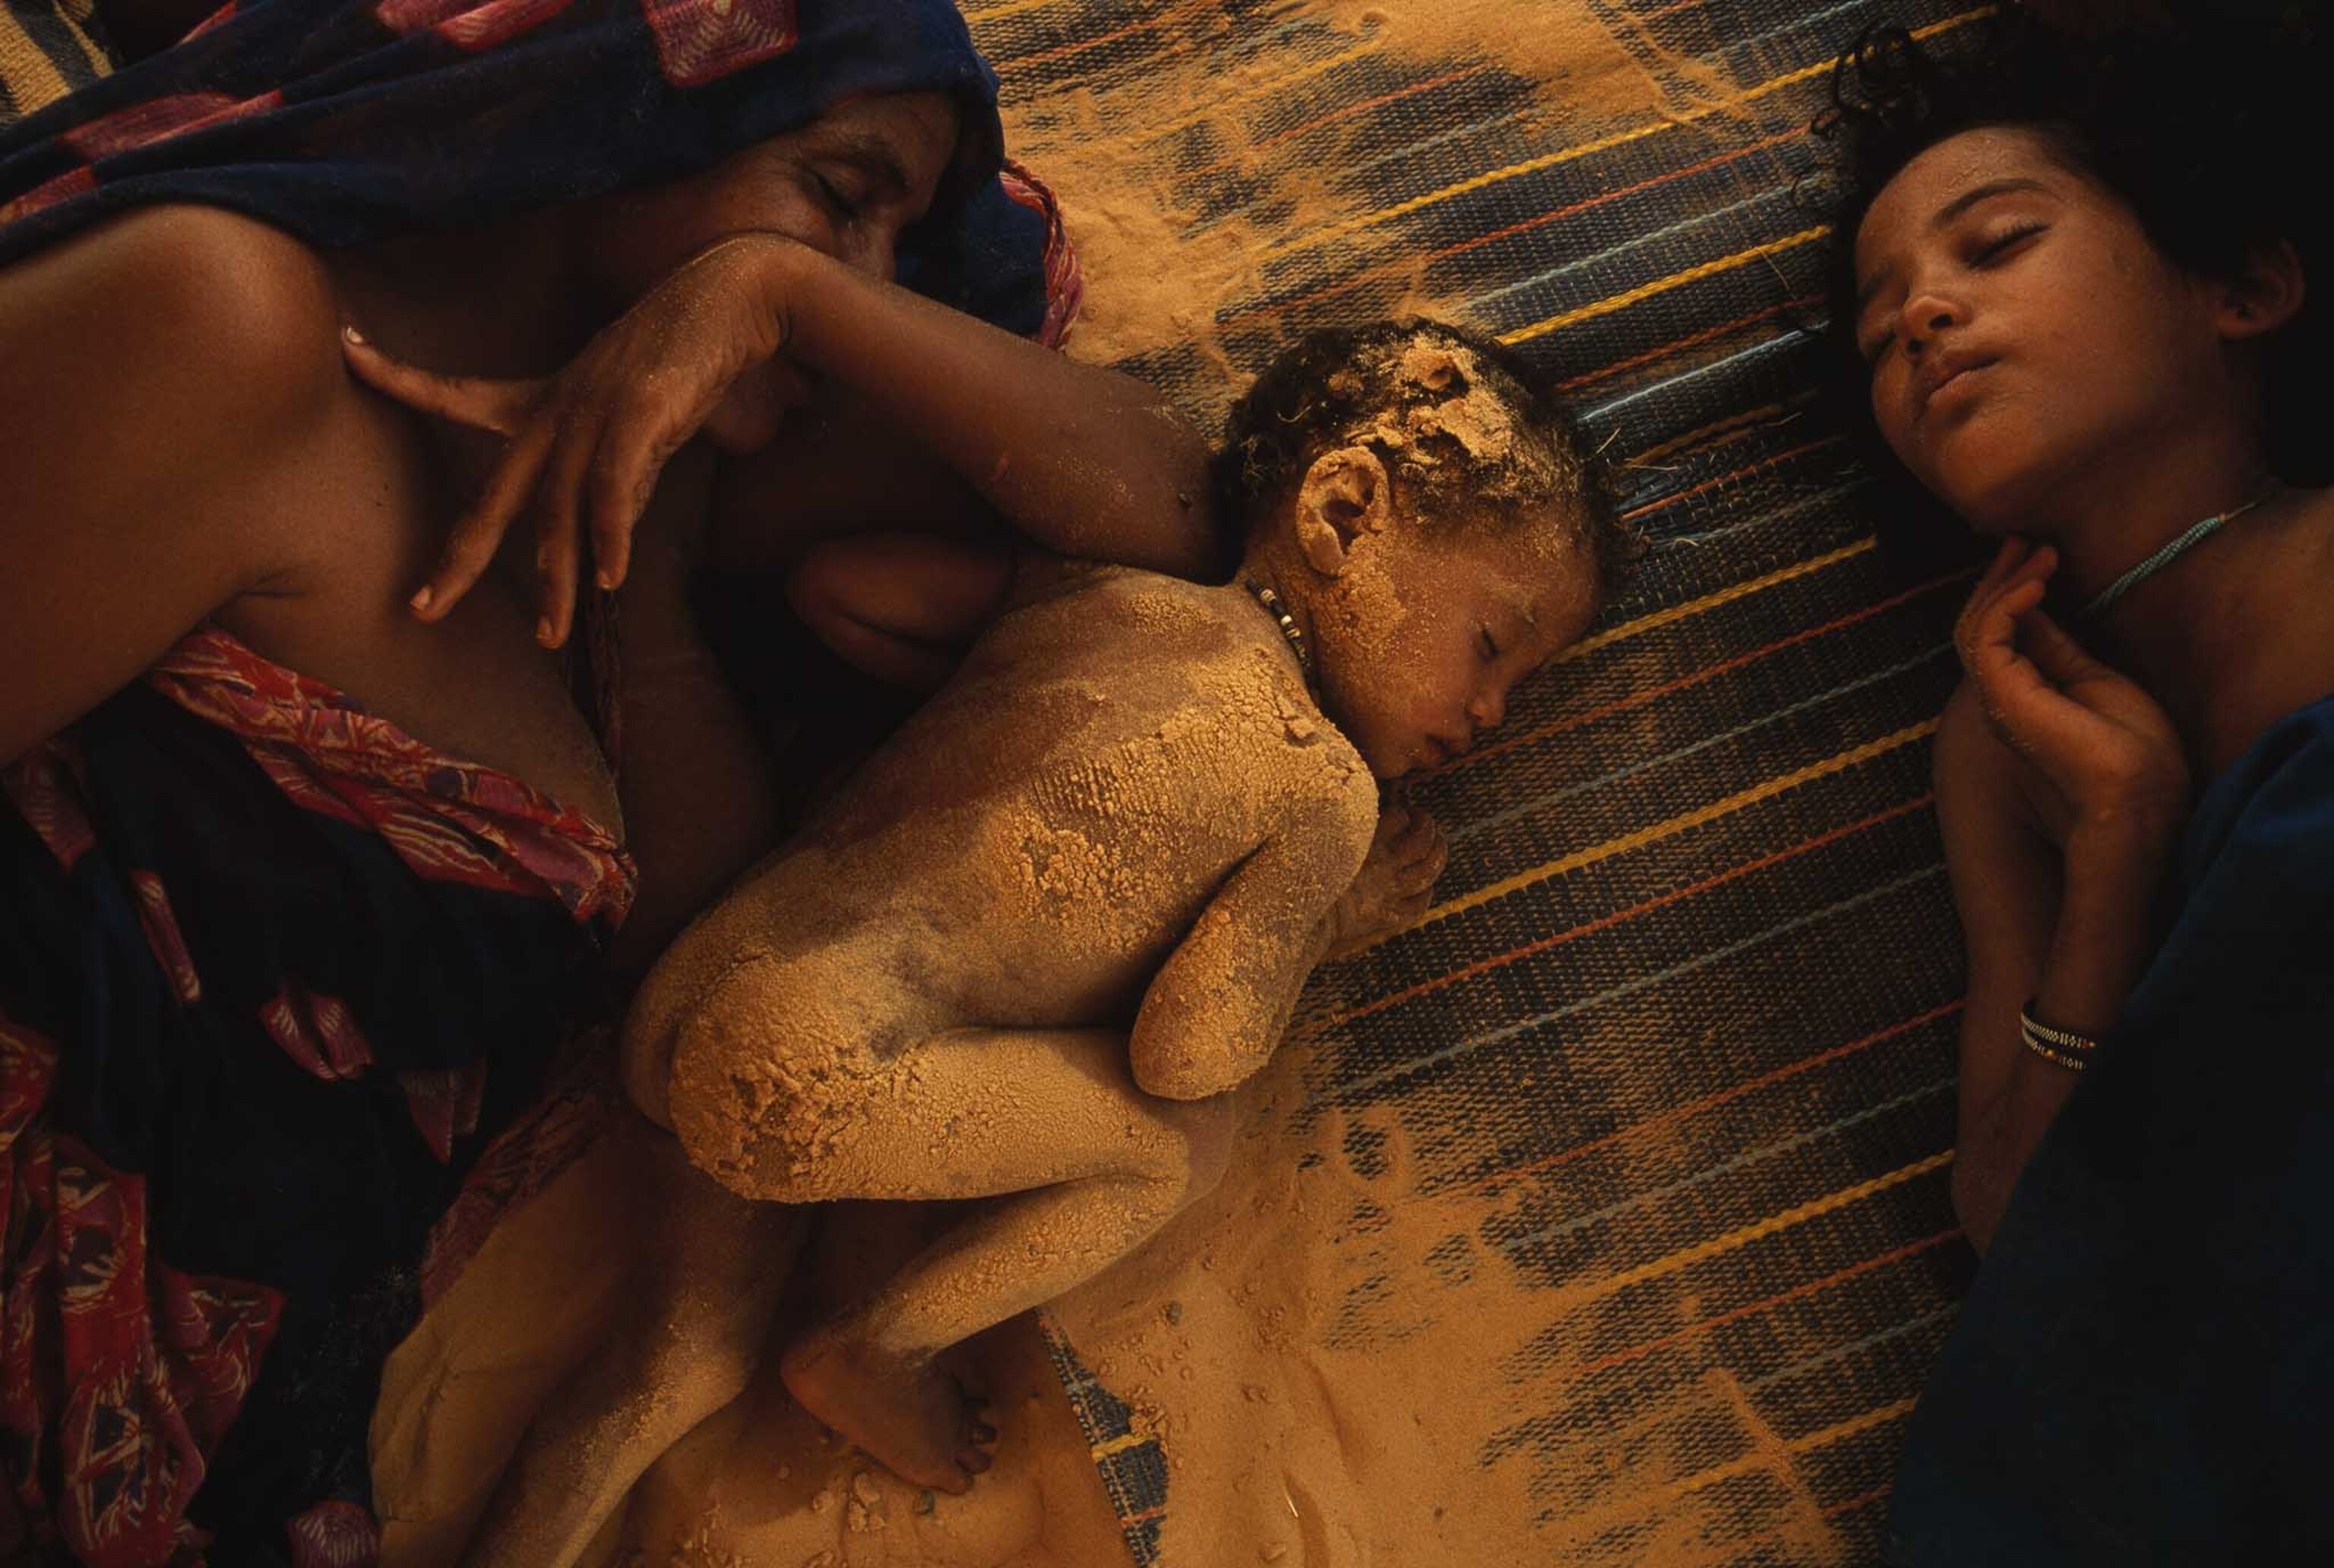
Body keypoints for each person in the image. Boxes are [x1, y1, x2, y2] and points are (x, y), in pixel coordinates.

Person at [0, 2, 1222, 1560]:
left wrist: (773, 289)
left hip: (210, 1457)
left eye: (896, 256)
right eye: (840, 197)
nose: (868, 286)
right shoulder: (224, 325)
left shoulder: (678, 476)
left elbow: (1195, 512)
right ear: (621, 106)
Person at [340, 314, 1626, 1560]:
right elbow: (1192, 1050)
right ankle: (880, 1347)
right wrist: (1327, 926)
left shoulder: (1099, 593)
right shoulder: (1321, 793)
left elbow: (842, 591)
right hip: (812, 1078)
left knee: (669, 1362)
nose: (1493, 709)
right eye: (1492, 645)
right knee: (1176, 1148)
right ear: (1344, 513)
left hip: (712, 978)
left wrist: (997, 726)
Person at [1816, 11, 2334, 1560]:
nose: (1921, 318)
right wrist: (2121, 842)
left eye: (1997, 244)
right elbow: (2019, 1225)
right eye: (1879, 323)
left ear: (2237, 286)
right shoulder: (2002, 742)